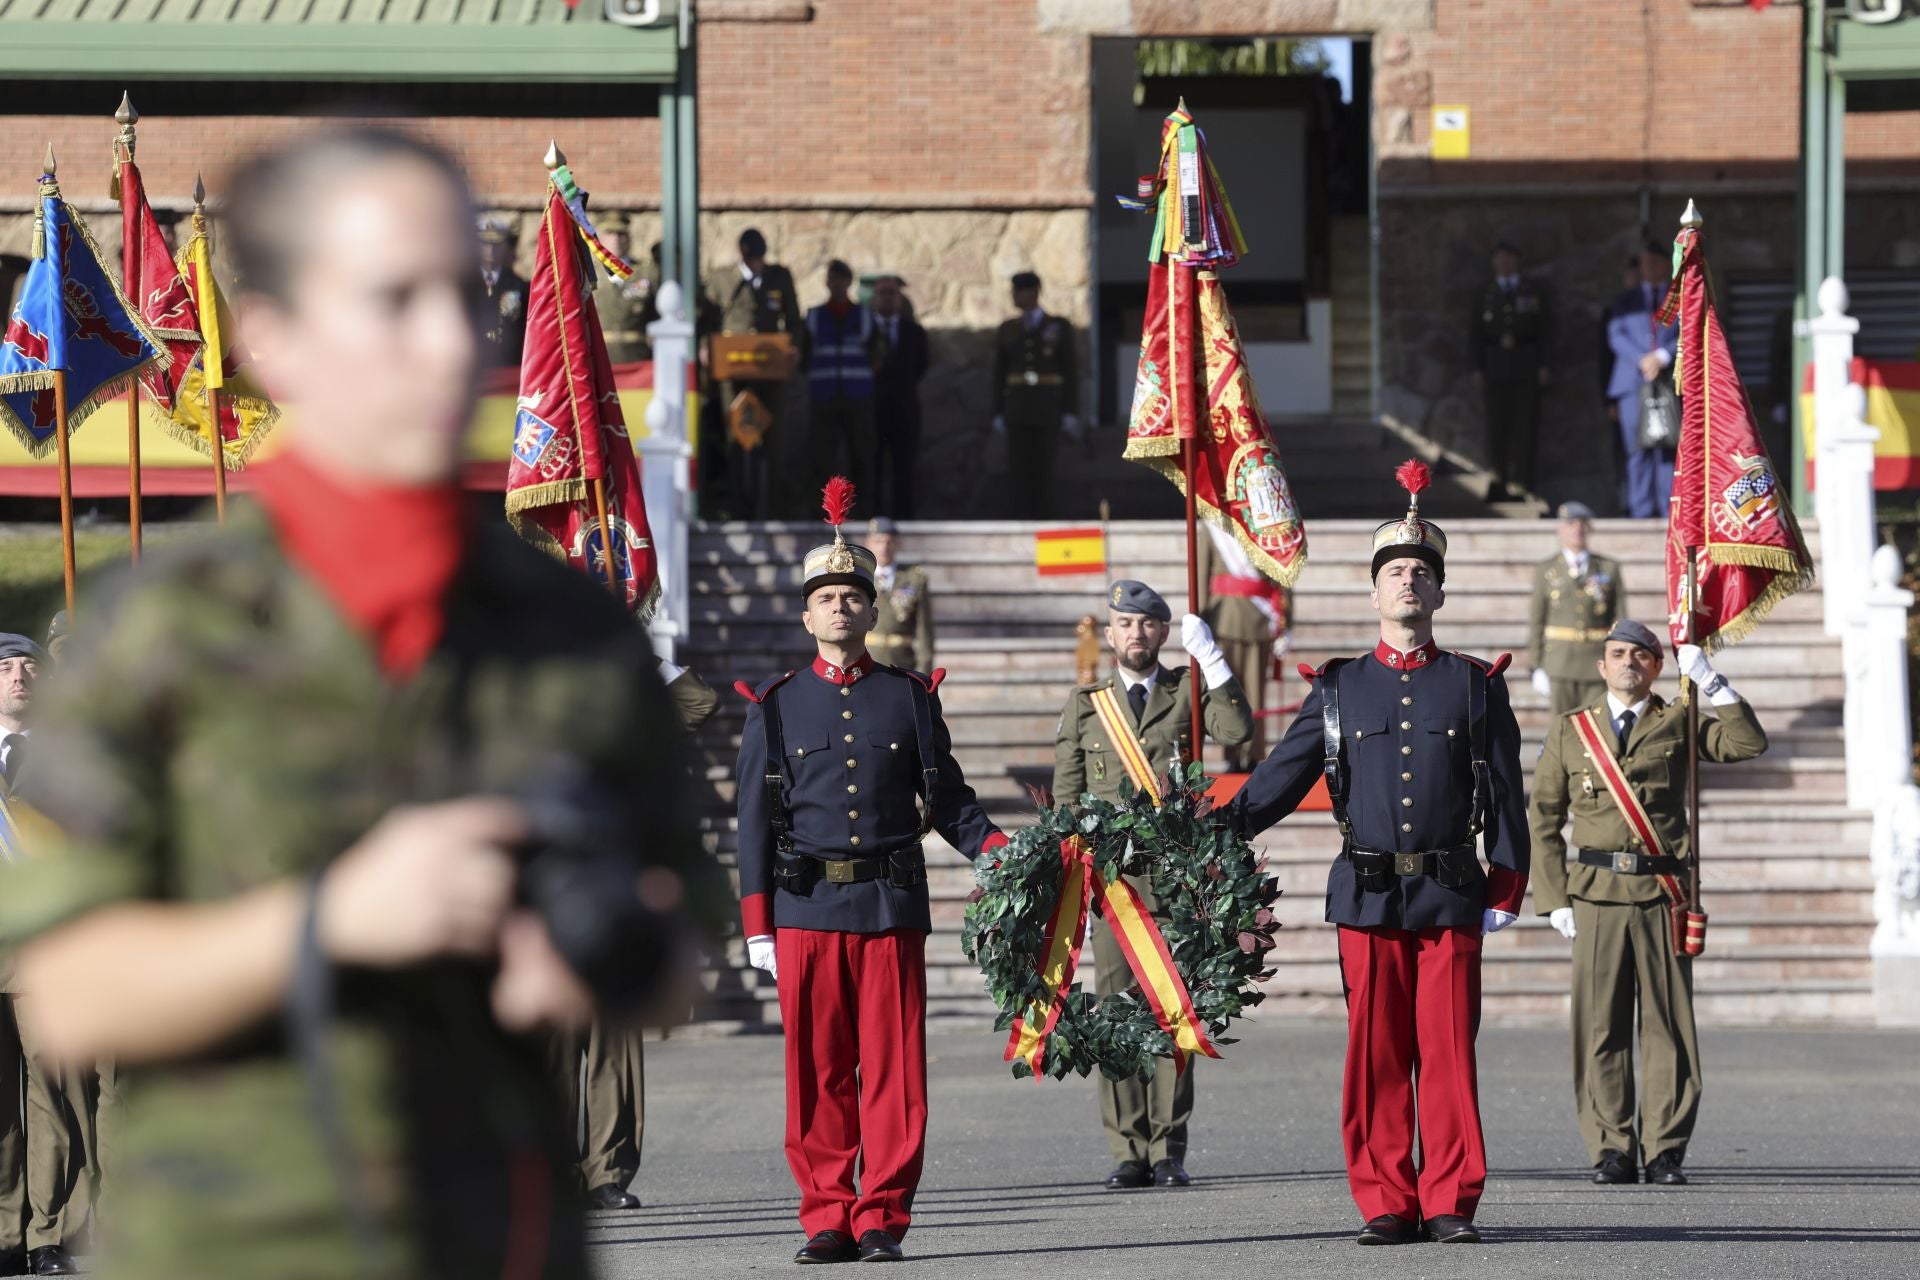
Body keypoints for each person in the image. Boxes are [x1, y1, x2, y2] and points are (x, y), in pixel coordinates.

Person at [0, 127, 713, 1280]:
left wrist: (599, 944)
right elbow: (75, 993)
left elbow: (679, 952)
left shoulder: (571, 631)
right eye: (394, 298)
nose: (448, 338)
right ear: (274, 338)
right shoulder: (159, 636)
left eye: (467, 291)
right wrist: (330, 921)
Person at [1225, 463, 1528, 1246]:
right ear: (1373, 592)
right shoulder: (1337, 689)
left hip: (1452, 889)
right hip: (1364, 894)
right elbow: (1278, 783)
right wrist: (1208, 833)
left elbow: (1507, 794)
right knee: (1376, 1053)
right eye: (1394, 571)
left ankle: (1451, 1198)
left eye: (1421, 573)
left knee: (1448, 1053)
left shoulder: (1475, 687)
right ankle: (1387, 1199)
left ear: (1439, 594)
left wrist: (1509, 881)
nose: (1407, 583)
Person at [734, 483, 1008, 1264]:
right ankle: (826, 1213)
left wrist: (1005, 854)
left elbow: (951, 803)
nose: (840, 608)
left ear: (873, 609)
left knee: (893, 1072)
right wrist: (758, 923)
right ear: (806, 615)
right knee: (818, 1073)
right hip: (806, 905)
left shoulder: (910, 700)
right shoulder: (777, 708)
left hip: (890, 905)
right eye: (825, 597)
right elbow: (753, 820)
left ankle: (881, 1213)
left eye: (853, 595)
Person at [1530, 621, 1765, 1188]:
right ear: (1601, 667)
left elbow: (1746, 744)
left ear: (1658, 667)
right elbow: (1542, 818)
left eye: (1641, 654)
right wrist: (1553, 897)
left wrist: (1709, 681)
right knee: (1600, 1026)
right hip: (1596, 896)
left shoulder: (1676, 719)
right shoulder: (1572, 731)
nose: (1628, 662)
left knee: (1667, 1025)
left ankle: (1665, 1149)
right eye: (1617, 654)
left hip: (1663, 895)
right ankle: (1611, 1147)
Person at [1052, 581, 1253, 1190]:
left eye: (1147, 624)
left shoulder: (1186, 691)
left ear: (1164, 634)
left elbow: (1236, 732)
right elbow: (1067, 795)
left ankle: (1169, 1147)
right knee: (1117, 1010)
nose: (1135, 633)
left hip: (1173, 875)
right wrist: (1071, 875)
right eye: (1124, 623)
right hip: (1113, 882)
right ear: (1108, 633)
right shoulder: (1087, 703)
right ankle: (1128, 1148)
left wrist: (1213, 660)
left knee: (1173, 1009)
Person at [554, 656, 720, 1213]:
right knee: (548, 1051)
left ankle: (606, 1173)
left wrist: (635, 643)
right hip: (543, 895)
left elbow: (699, 702)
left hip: (616, 888)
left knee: (613, 1048)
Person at [0, 634, 82, 1277]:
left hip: (41, 940)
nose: (19, 676)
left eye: (28, 664)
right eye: (3, 667)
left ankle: (43, 1234)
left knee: (49, 1089)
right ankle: (3, 1229)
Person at [703, 228, 805, 520]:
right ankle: (737, 508)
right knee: (735, 436)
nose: (756, 264)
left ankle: (772, 509)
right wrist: (704, 349)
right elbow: (707, 321)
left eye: (759, 259)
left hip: (769, 369)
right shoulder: (723, 280)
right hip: (731, 369)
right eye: (751, 259)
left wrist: (794, 347)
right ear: (742, 255)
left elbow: (794, 320)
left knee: (772, 437)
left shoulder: (778, 277)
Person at [1196, 523, 1291, 773]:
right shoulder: (1213, 528)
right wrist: (1200, 619)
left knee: (1254, 693)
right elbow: (1201, 574)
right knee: (1227, 691)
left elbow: (1284, 572)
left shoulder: (1269, 525)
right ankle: (1232, 752)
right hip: (1223, 618)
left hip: (1259, 619)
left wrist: (1285, 622)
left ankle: (1251, 754)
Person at [991, 271, 1079, 519]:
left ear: (1035, 292)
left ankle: (1045, 517)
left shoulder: (1058, 326)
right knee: (1018, 469)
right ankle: (1020, 517)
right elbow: (999, 374)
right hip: (1017, 409)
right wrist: (998, 411)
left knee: (1045, 469)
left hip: (1047, 408)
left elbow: (1070, 371)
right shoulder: (1008, 329)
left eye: (1020, 291)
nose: (1015, 296)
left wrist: (1070, 411)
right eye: (1014, 291)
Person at [1469, 242, 1552, 500]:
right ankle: (1499, 481)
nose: (1503, 263)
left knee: (1525, 426)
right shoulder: (1485, 293)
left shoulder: (1532, 291)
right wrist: (1476, 367)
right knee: (1497, 427)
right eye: (1499, 259)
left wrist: (1544, 365)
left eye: (1508, 258)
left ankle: (1523, 483)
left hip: (1525, 364)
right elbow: (1475, 334)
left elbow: (1545, 332)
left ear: (1517, 261)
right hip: (1495, 366)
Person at [1526, 502, 1623, 716]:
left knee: (1597, 725)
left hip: (1595, 661)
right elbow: (1537, 620)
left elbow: (1619, 618)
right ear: (1560, 529)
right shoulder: (1547, 569)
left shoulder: (1608, 568)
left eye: (1582, 524)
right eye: (1571, 523)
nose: (1577, 529)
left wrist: (1618, 657)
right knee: (1563, 729)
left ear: (1590, 529)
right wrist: (1536, 665)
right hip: (1559, 662)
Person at [1607, 242, 1680, 518]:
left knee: (1666, 448)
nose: (1647, 268)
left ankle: (1667, 512)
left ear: (1664, 265)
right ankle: (1640, 512)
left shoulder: (1676, 298)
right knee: (1636, 449)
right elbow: (1615, 335)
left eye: (1653, 262)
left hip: (1666, 383)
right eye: (1643, 263)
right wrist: (1642, 359)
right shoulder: (1625, 300)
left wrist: (1662, 355)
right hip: (1632, 384)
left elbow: (1687, 332)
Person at [803, 261, 879, 510]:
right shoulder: (814, 317)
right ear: (827, 282)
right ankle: (823, 512)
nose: (836, 284)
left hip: (858, 396)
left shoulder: (865, 317)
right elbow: (804, 357)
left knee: (862, 454)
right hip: (824, 396)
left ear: (849, 282)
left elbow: (877, 355)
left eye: (841, 279)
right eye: (831, 279)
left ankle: (864, 510)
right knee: (821, 456)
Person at [870, 275, 928, 519]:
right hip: (871, 409)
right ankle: (872, 518)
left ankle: (904, 520)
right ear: (874, 298)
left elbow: (921, 367)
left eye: (892, 293)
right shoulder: (865, 330)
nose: (887, 297)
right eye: (882, 292)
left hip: (904, 408)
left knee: (904, 468)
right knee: (871, 468)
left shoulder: (914, 332)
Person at [864, 518, 933, 674]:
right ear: (868, 543)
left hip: (901, 662)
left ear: (898, 544)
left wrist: (924, 671)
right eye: (878, 541)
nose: (884, 547)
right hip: (865, 659)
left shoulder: (914, 579)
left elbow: (924, 632)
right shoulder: (860, 577)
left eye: (889, 542)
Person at [592, 219, 651, 365]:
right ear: (601, 238)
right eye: (610, 233)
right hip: (599, 356)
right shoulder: (589, 272)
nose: (616, 239)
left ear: (629, 237)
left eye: (621, 234)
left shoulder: (646, 272)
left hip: (636, 357)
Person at [477, 217, 528, 367]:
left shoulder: (520, 286)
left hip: (509, 367)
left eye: (496, 243)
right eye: (484, 243)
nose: (490, 249)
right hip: (473, 369)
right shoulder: (464, 284)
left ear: (506, 246)